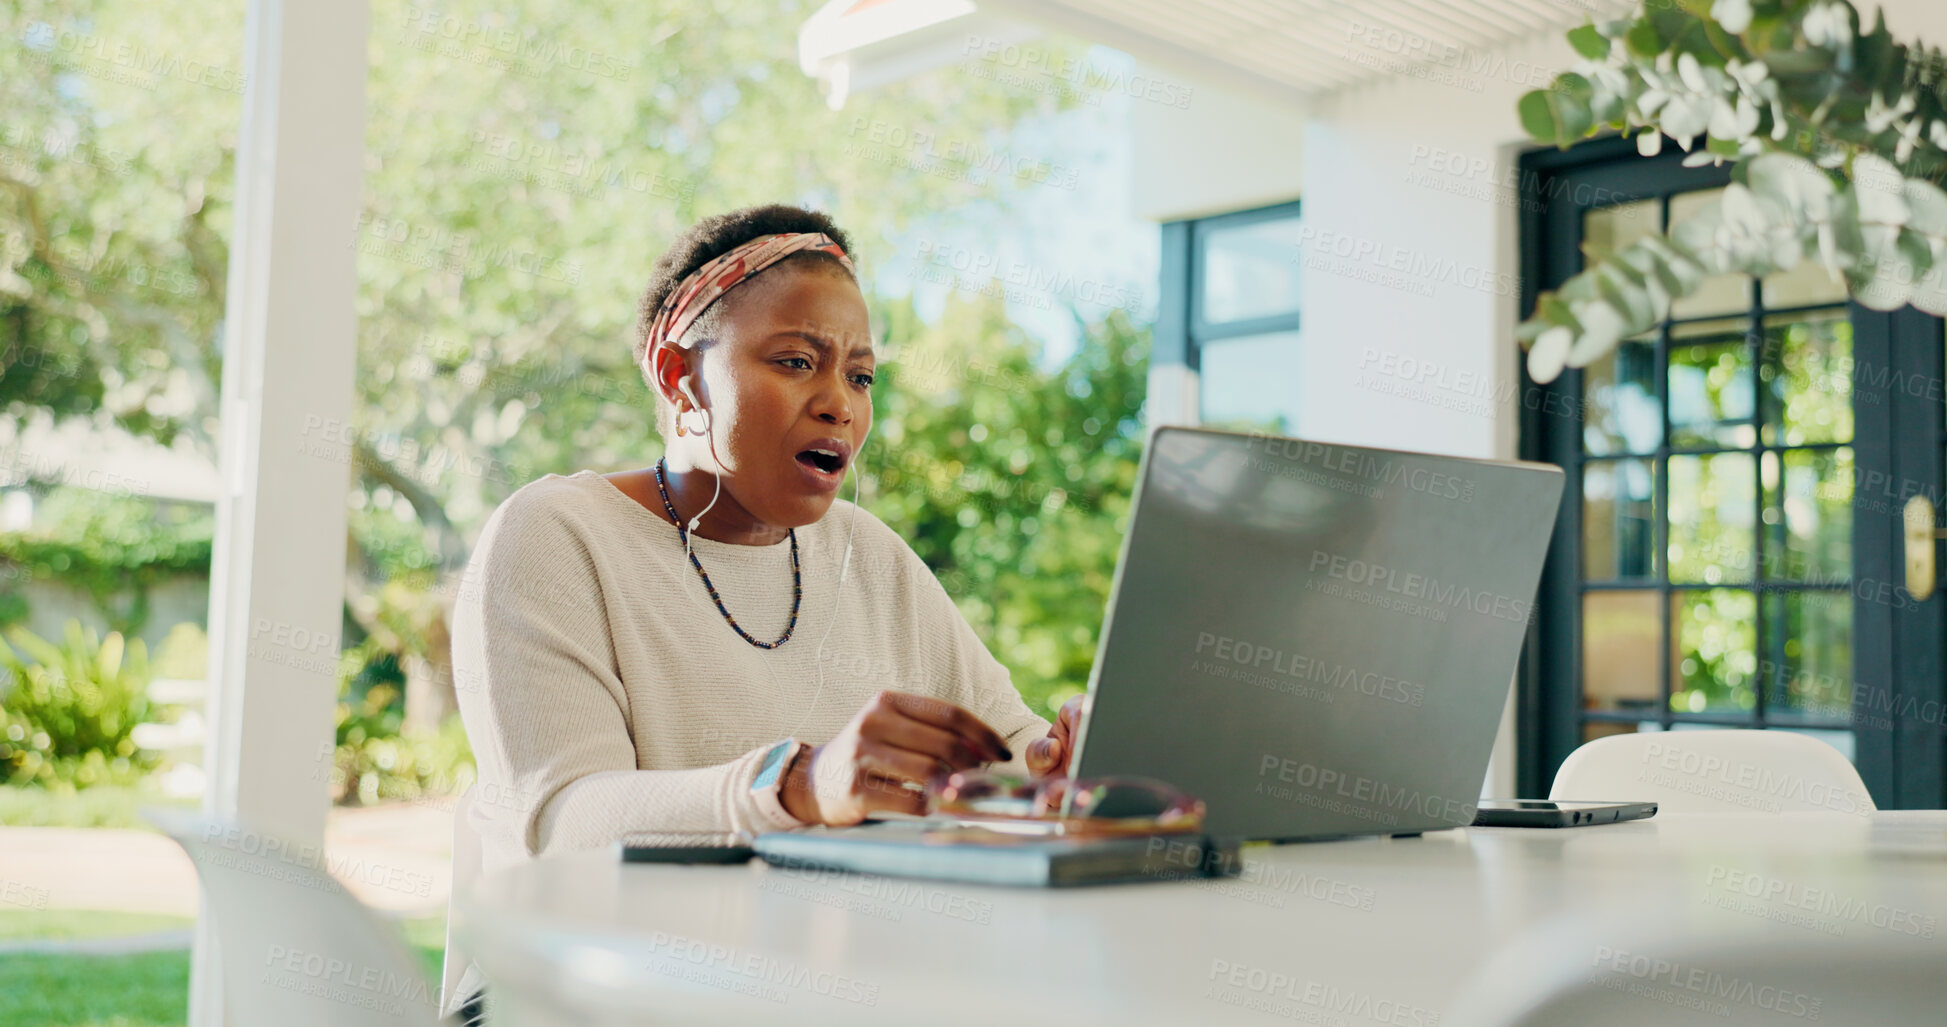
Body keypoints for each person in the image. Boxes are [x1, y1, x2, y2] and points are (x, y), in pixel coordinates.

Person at [443, 204, 1085, 1017]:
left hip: (789, 989)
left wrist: (1056, 767)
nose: (839, 403)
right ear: (680, 377)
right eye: (795, 361)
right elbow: (567, 824)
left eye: (860, 376)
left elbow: (1005, 746)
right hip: (570, 995)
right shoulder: (555, 534)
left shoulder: (871, 553)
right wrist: (797, 786)